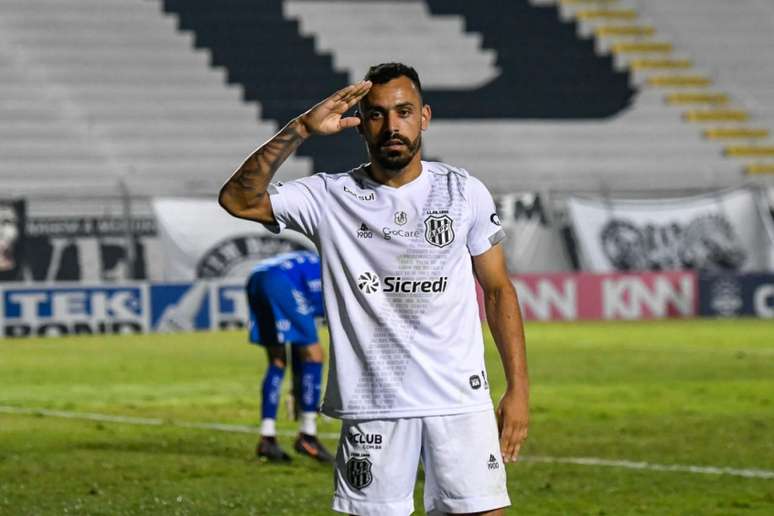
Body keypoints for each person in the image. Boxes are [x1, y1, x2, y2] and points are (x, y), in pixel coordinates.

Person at [220, 63, 528, 515]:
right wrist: (300, 129)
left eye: (403, 112)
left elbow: (499, 291)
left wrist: (518, 389)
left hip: (460, 399)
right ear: (360, 123)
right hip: (374, 405)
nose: (392, 125)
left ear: (424, 116)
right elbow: (237, 200)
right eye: (377, 114)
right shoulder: (329, 196)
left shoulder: (464, 192)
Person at [246, 250, 334, 463]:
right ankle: (308, 434)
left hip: (257, 277)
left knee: (277, 360)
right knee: (315, 355)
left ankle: (267, 438)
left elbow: (297, 345)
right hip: (280, 282)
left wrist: (298, 386)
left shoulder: (315, 261)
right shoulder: (333, 273)